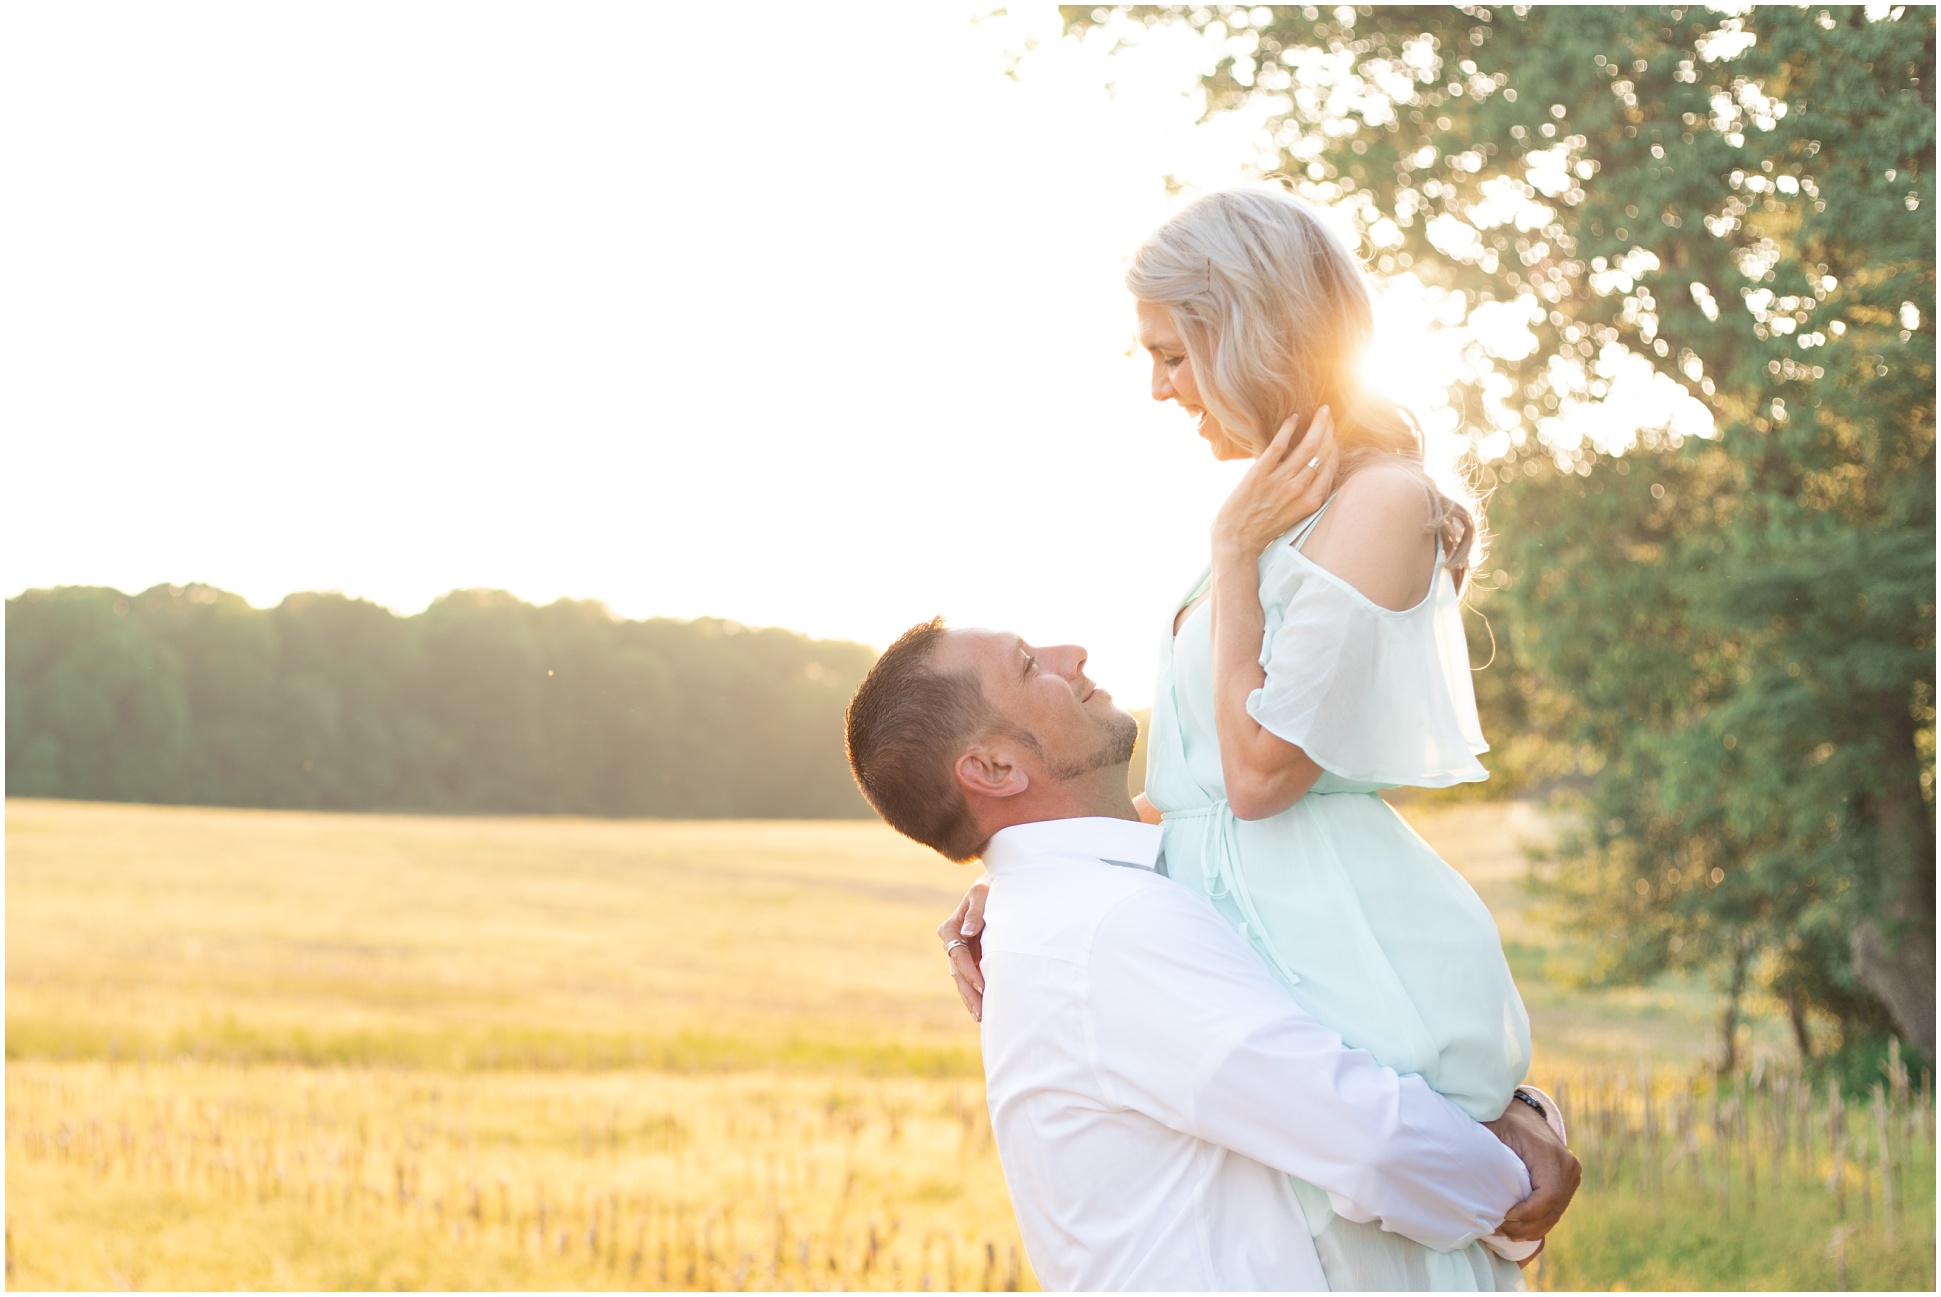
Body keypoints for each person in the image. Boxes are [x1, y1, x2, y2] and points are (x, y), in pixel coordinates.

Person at [939, 186, 1553, 1290]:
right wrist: (1032, 882)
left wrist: (1231, 560)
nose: (1160, 388)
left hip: (1329, 937)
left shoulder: (1376, 502)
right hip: (1248, 930)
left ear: (1248, 329)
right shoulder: (1282, 508)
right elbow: (1195, 789)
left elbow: (1263, 775)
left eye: (1170, 353)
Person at [845, 620, 1577, 1291]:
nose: (1074, 656)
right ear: (995, 768)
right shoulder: (1104, 927)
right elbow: (1369, 1139)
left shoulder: (1073, 906)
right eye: (1031, 664)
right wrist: (1516, 1185)